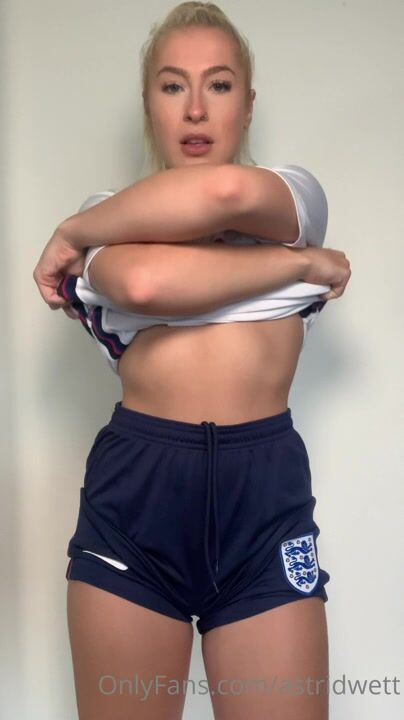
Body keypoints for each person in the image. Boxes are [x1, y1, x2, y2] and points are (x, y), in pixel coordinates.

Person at [33, 2, 351, 719]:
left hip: (264, 504)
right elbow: (147, 283)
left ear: (248, 104)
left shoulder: (295, 195)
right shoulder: (107, 211)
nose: (197, 108)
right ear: (149, 104)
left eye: (220, 84)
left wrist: (74, 237)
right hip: (136, 503)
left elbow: (228, 192)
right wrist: (300, 265)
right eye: (173, 85)